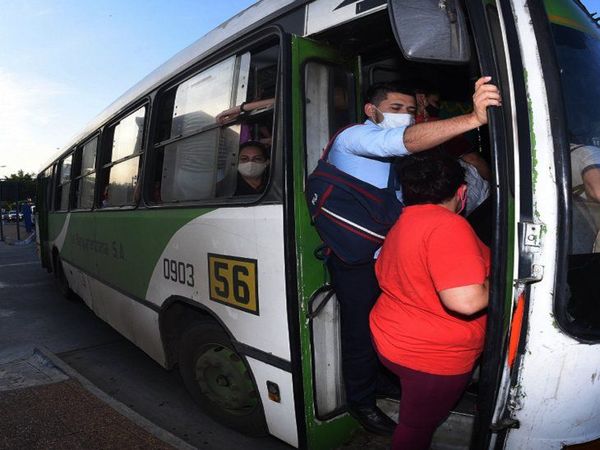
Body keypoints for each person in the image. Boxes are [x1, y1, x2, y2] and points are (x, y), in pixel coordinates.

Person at [323, 76, 500, 435]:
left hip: (386, 250)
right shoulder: (353, 137)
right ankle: (361, 401)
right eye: (395, 109)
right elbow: (399, 142)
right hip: (354, 256)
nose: (404, 116)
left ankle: (387, 379)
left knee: (389, 314)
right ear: (371, 111)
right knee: (358, 332)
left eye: (409, 110)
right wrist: (473, 119)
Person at [370, 151, 490, 449]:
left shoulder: (406, 220)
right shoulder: (448, 226)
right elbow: (465, 302)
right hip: (431, 356)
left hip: (393, 336)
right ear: (462, 191)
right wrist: (501, 282)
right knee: (416, 428)